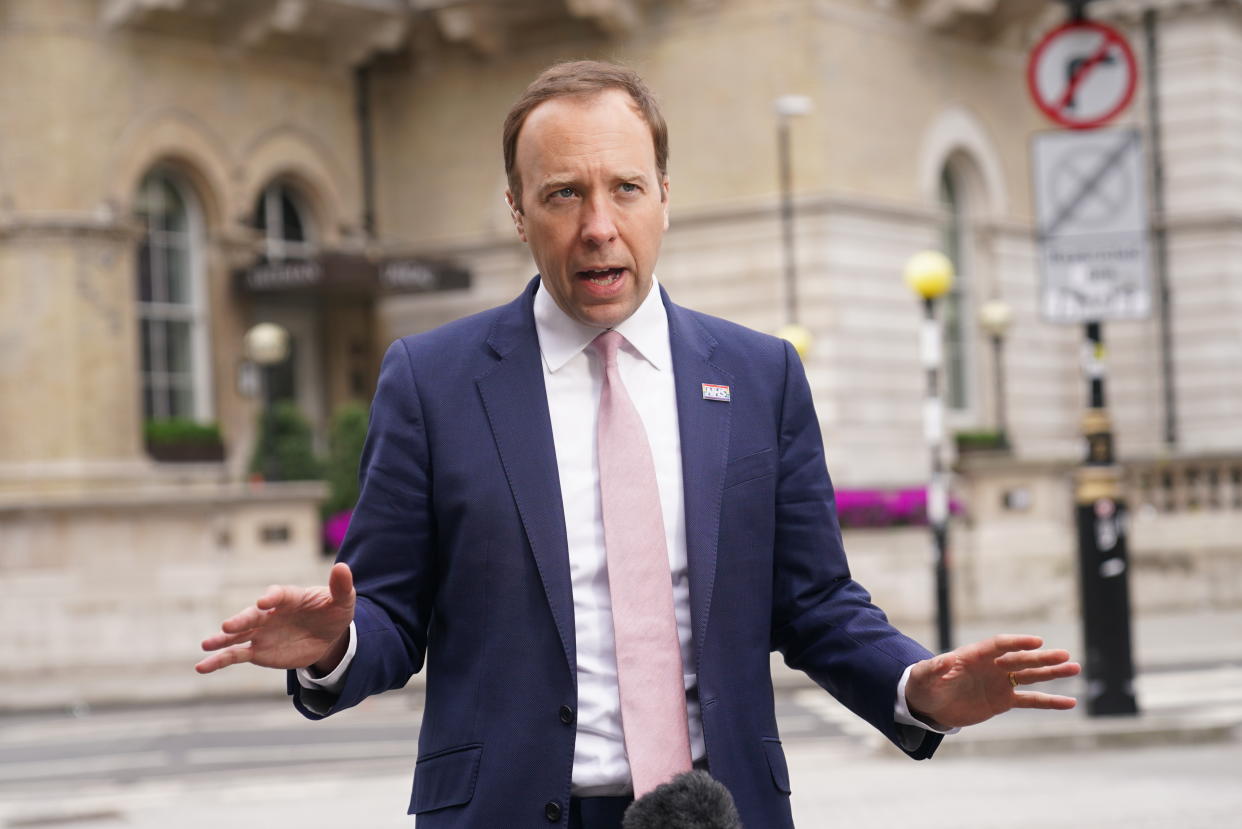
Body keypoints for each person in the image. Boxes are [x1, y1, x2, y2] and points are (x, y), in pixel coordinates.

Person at [197, 61, 1079, 829]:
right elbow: (387, 613)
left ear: (665, 194)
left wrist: (916, 687)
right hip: (505, 810)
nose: (597, 225)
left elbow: (814, 604)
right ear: (517, 209)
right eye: (562, 194)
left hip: (712, 811)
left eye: (624, 187)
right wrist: (333, 649)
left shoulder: (760, 374)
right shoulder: (433, 381)